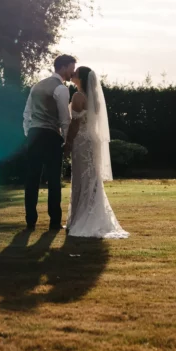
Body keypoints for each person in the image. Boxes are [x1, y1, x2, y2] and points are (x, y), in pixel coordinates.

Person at [64, 66, 129, 239]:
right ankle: (86, 215)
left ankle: (80, 219)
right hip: (93, 142)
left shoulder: (78, 96)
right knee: (92, 178)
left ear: (82, 78)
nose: (72, 75)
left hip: (81, 141)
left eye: (75, 73)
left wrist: (68, 143)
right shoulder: (95, 100)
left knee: (81, 178)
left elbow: (75, 124)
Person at [22, 54, 76, 230]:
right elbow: (64, 119)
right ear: (63, 67)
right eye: (71, 67)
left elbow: (27, 114)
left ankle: (30, 220)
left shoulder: (36, 86)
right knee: (53, 180)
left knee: (31, 178)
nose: (73, 71)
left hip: (34, 135)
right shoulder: (61, 89)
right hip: (51, 136)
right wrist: (66, 140)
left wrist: (29, 133)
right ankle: (54, 221)